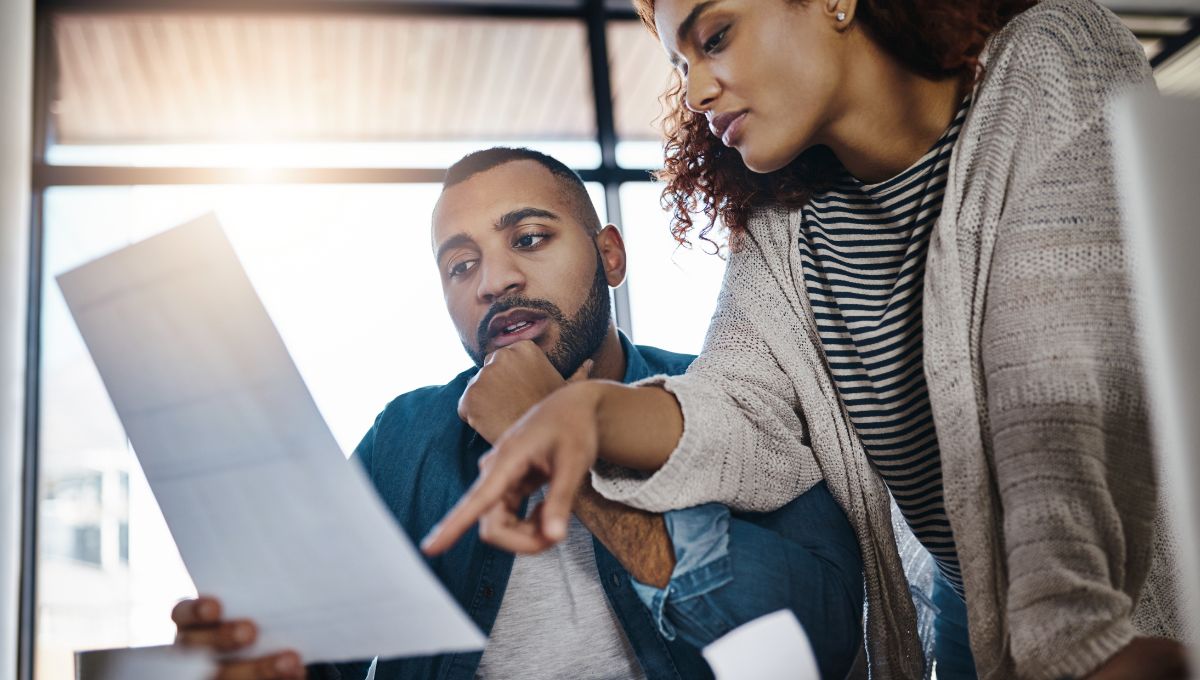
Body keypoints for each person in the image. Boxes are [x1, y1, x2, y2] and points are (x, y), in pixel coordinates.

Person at [422, 2, 1192, 679]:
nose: (693, 91)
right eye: (680, 64)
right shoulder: (786, 227)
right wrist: (587, 414)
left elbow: (1057, 391)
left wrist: (1068, 643)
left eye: (715, 36)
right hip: (973, 611)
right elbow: (739, 408)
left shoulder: (1051, 54)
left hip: (1126, 612)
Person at [170, 147, 865, 680]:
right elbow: (318, 656)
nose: (494, 282)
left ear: (610, 256)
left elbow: (822, 639)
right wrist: (247, 659)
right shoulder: (404, 439)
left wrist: (559, 438)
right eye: (460, 266)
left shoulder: (728, 393)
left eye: (528, 239)